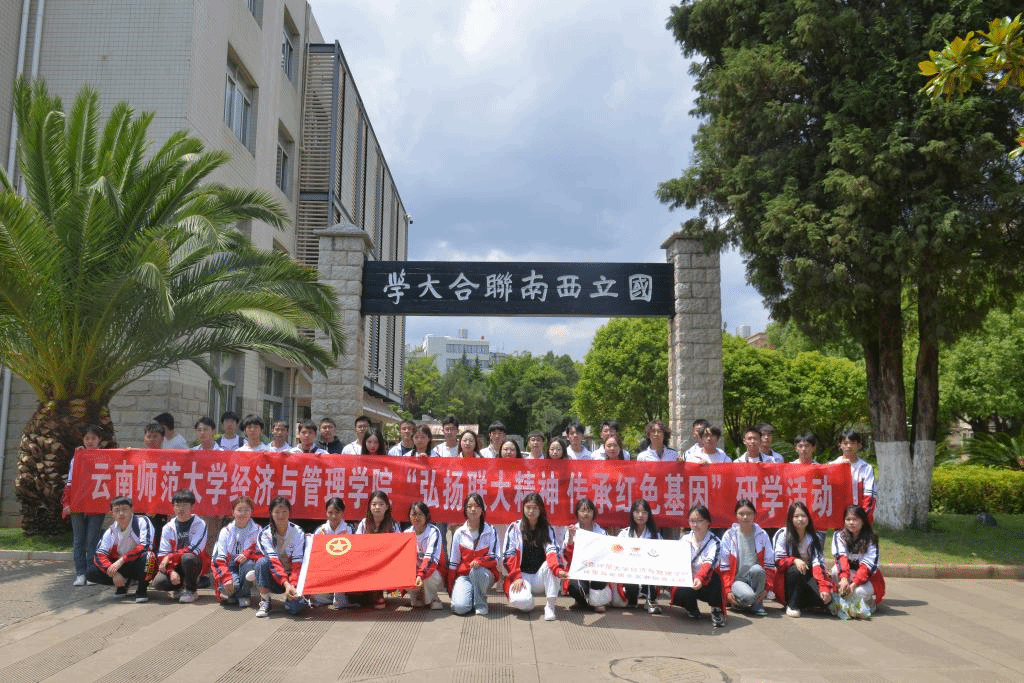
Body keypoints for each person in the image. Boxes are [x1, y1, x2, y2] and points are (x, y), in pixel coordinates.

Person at [503, 492, 568, 621]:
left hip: (540, 577)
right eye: (528, 507)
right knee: (521, 602)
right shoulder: (514, 528)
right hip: (522, 577)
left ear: (540, 509)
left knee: (551, 566)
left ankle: (550, 606)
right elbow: (508, 556)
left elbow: (552, 552)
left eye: (535, 508)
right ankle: (529, 602)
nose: (531, 511)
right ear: (523, 508)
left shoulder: (547, 529)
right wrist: (516, 577)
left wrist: (557, 570)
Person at [86, 496, 156, 603]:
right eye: (117, 510)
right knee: (91, 572)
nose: (121, 513)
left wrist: (122, 559)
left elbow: (146, 546)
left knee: (148, 557)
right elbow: (99, 554)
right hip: (121, 566)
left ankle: (142, 590)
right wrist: (113, 572)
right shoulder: (111, 530)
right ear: (112, 513)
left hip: (138, 563)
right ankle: (122, 586)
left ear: (132, 510)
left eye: (124, 509)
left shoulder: (142, 521)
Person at [63, 425, 108, 586]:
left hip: (97, 503)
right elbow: (70, 482)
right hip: (77, 504)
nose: (89, 441)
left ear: (99, 440)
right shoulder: (77, 457)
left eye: (93, 438)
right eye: (87, 438)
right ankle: (80, 573)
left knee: (92, 540)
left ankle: (91, 573)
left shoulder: (106, 457)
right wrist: (67, 502)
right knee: (78, 540)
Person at [772, 501, 833, 617]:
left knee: (826, 599)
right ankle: (792, 605)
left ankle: (802, 602)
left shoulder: (814, 538)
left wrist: (824, 587)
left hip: (807, 575)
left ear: (808, 518)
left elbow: (818, 564)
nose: (800, 519)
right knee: (796, 569)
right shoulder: (782, 534)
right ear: (790, 519)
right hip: (786, 578)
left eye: (803, 516)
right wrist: (794, 560)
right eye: (796, 516)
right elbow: (778, 562)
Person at [671, 504, 726, 627]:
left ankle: (716, 609)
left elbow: (710, 564)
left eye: (699, 521)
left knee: (715, 578)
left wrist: (700, 578)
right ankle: (691, 607)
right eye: (692, 521)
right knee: (680, 590)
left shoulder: (715, 542)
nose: (695, 525)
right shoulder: (684, 539)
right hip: (690, 579)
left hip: (707, 581)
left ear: (708, 522)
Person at [152, 489, 210, 603]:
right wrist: (170, 571)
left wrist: (171, 556)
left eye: (184, 505)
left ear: (192, 506)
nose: (181, 509)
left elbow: (195, 549)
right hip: (174, 565)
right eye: (177, 505)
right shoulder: (168, 527)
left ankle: (191, 591)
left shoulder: (200, 524)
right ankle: (179, 588)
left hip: (194, 563)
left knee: (188, 557)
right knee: (158, 582)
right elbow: (163, 555)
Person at [719, 499, 774, 617]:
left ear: (754, 515)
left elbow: (770, 564)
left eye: (749, 513)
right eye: (741, 514)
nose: (745, 517)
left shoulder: (762, 535)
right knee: (748, 596)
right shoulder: (729, 536)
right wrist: (727, 590)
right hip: (737, 580)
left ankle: (756, 604)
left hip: (755, 578)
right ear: (736, 515)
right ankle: (746, 600)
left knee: (757, 569)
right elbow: (724, 566)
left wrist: (767, 588)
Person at [448, 493, 500, 615]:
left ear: (482, 510)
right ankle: (469, 597)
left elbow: (495, 557)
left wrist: (480, 562)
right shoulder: (459, 533)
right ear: (465, 510)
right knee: (460, 608)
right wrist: (451, 588)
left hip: (484, 574)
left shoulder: (491, 531)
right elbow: (454, 562)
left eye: (477, 506)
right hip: (464, 576)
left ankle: (481, 603)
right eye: (469, 506)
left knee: (477, 571)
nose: (473, 509)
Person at [254, 496, 307, 617]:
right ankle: (265, 601)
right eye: (277, 512)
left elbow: (298, 563)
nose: (281, 515)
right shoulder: (265, 534)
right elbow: (273, 562)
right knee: (262, 562)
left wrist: (292, 585)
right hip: (275, 577)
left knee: (295, 610)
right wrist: (286, 584)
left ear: (289, 512)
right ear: (271, 513)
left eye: (284, 511)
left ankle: (294, 598)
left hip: (292, 577)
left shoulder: (298, 532)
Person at [830, 504, 885, 617]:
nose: (851, 522)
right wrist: (844, 578)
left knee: (858, 593)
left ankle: (871, 604)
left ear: (863, 521)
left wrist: (854, 584)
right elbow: (841, 558)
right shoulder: (839, 535)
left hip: (868, 578)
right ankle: (843, 599)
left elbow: (867, 567)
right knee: (835, 570)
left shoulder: (871, 538)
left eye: (855, 519)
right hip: (848, 573)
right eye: (848, 519)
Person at [562, 497, 613, 612]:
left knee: (599, 606)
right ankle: (582, 602)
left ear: (593, 513)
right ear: (577, 513)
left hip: (596, 570)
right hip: (579, 570)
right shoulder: (571, 530)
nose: (585, 514)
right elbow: (568, 557)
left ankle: (597, 600)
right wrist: (570, 538)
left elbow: (606, 555)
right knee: (575, 588)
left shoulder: (601, 532)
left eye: (589, 511)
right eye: (582, 510)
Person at [212, 495, 262, 607]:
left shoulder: (258, 529)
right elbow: (219, 558)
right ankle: (232, 594)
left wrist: (248, 554)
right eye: (239, 510)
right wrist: (227, 579)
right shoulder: (225, 531)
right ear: (233, 512)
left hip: (245, 564)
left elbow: (262, 552)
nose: (243, 513)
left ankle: (244, 595)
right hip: (229, 564)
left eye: (246, 510)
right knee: (229, 587)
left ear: (251, 512)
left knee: (249, 564)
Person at [354, 490, 401, 608]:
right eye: (374, 504)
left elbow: (400, 545)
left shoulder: (393, 524)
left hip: (386, 562)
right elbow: (356, 545)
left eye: (381, 504)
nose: (377, 507)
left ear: (387, 506)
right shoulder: (364, 523)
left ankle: (378, 593)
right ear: (369, 507)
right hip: (367, 561)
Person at [617, 499, 663, 614]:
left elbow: (661, 557)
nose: (640, 515)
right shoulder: (624, 534)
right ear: (632, 514)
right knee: (630, 585)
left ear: (649, 515)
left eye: (644, 512)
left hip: (649, 573)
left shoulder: (655, 535)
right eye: (637, 512)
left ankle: (651, 600)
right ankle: (631, 598)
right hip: (630, 572)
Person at [310, 497, 353, 610]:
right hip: (325, 570)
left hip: (344, 570)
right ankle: (334, 597)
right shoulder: (320, 530)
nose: (333, 516)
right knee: (314, 596)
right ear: (326, 513)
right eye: (330, 513)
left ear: (343, 513)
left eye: (337, 512)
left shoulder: (349, 530)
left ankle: (339, 597)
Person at [406, 502, 446, 610]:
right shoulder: (406, 533)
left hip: (434, 571)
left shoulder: (434, 532)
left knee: (429, 574)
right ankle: (417, 595)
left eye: (420, 514)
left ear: (426, 516)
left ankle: (433, 598)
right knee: (404, 571)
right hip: (416, 571)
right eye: (413, 514)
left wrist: (420, 575)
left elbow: (431, 559)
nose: (416, 517)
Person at [832, 431, 876, 521]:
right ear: (840, 445)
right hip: (837, 516)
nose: (849, 446)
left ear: (859, 445)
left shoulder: (866, 468)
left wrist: (862, 517)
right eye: (845, 443)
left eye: (852, 443)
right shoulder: (831, 466)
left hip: (859, 516)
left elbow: (870, 495)